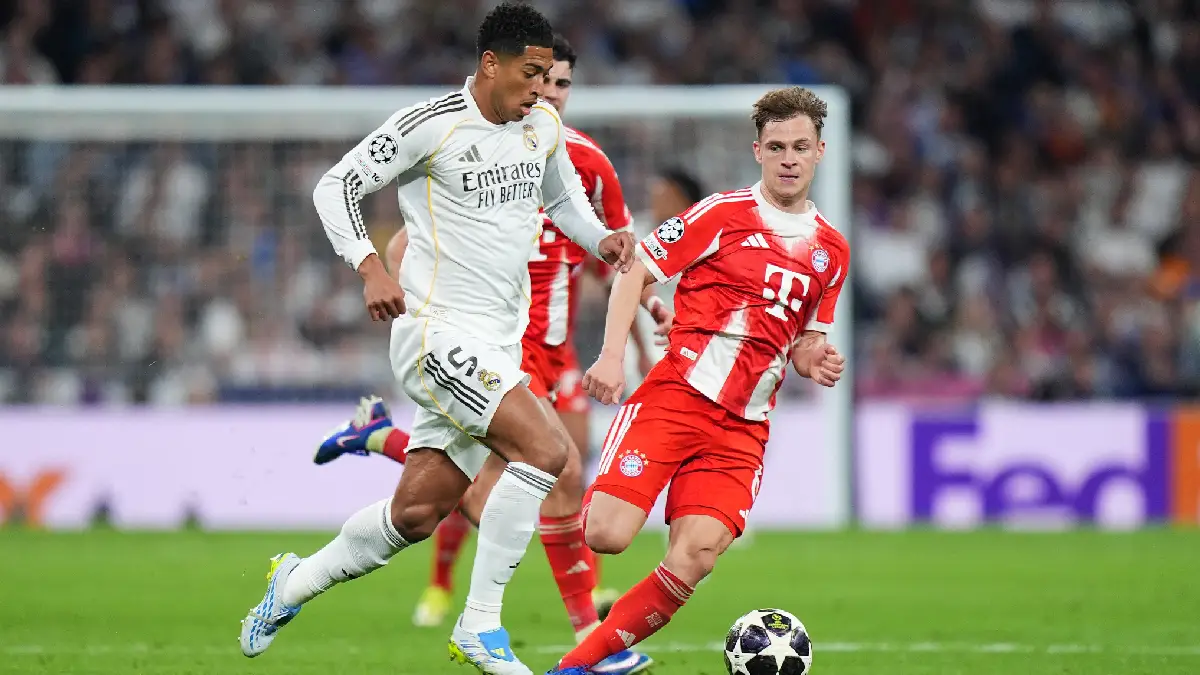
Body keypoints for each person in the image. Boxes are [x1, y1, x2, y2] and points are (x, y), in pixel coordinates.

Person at [237, 5, 636, 675]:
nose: (540, 88)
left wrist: (603, 240)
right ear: (491, 64)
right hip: (435, 334)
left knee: (417, 513)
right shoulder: (432, 124)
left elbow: (564, 201)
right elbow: (336, 186)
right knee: (547, 451)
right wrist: (370, 267)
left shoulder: (540, 126)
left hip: (498, 343)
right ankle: (480, 625)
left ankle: (294, 582)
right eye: (531, 74)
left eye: (548, 75)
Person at [545, 86, 850, 674]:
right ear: (758, 151)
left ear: (820, 152)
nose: (789, 158)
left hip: (742, 429)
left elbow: (807, 336)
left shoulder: (832, 251)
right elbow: (633, 273)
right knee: (606, 534)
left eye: (801, 147)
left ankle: (573, 667)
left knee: (696, 556)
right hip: (676, 398)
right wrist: (611, 356)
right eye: (777, 147)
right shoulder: (720, 214)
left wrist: (812, 358)